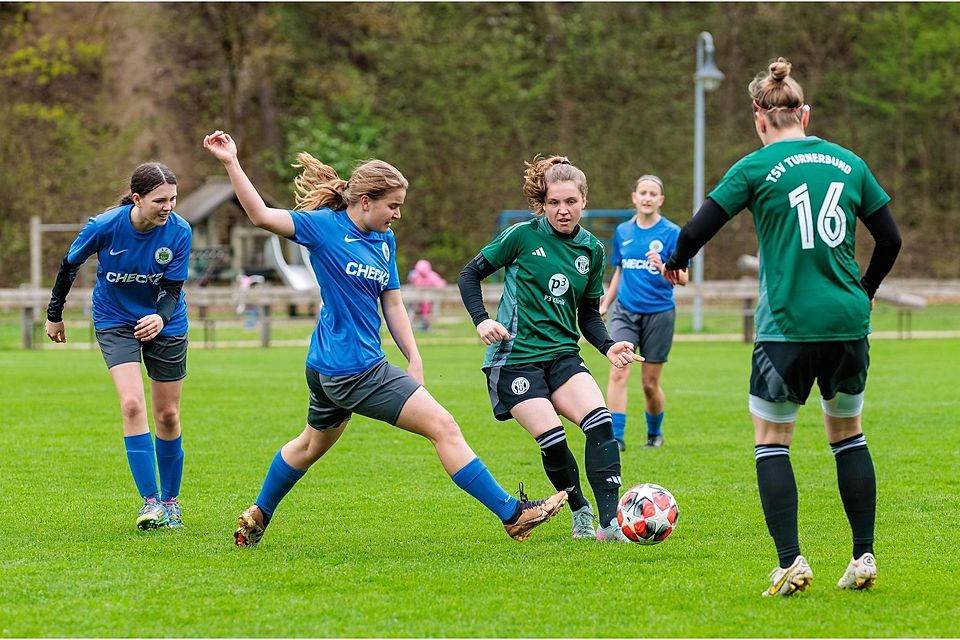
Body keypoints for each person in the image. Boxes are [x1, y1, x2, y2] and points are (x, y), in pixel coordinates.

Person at [201, 130, 567, 546]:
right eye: (393, 206)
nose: (398, 214)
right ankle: (513, 515)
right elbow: (261, 216)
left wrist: (414, 356)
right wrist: (231, 162)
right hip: (351, 368)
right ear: (365, 201)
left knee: (310, 445)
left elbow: (392, 303)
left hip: (331, 367)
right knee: (444, 426)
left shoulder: (384, 240)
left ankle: (259, 513)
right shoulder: (323, 227)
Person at [661, 58, 901, 596]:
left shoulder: (754, 167)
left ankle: (791, 561)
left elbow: (698, 228)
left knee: (772, 441)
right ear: (804, 114)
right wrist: (864, 291)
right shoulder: (849, 162)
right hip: (847, 324)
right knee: (849, 435)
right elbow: (891, 240)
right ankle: (863, 555)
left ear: (758, 115)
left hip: (786, 328)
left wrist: (676, 261)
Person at [458, 155, 644, 542]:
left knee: (601, 424)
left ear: (584, 201)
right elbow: (470, 273)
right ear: (542, 204)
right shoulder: (521, 236)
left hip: (562, 357)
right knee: (554, 439)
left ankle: (609, 525)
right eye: (554, 202)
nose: (563, 210)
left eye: (571, 201)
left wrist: (608, 345)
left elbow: (588, 314)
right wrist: (481, 320)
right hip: (514, 360)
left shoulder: (592, 250)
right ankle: (580, 511)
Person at [45, 162, 192, 530]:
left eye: (173, 199)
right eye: (160, 200)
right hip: (115, 319)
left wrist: (160, 318)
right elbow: (68, 265)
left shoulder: (179, 232)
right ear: (137, 199)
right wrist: (54, 314)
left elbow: (172, 288)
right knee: (131, 404)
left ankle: (171, 502)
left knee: (168, 415)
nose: (168, 207)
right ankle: (151, 502)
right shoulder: (104, 226)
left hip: (166, 322)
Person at [599, 175, 688, 451]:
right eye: (643, 193)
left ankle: (654, 433)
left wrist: (663, 267)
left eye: (653, 194)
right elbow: (620, 271)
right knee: (618, 372)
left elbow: (684, 278)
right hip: (625, 312)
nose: (647, 198)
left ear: (660, 200)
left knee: (649, 384)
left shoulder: (672, 233)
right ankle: (616, 438)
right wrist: (605, 303)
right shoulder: (623, 231)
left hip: (659, 314)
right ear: (634, 197)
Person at [407, 259, 446, 330]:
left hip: (428, 301)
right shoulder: (415, 276)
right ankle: (414, 324)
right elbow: (413, 285)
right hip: (416, 300)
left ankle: (424, 322)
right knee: (414, 308)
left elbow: (441, 284)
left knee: (426, 305)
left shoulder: (432, 276)